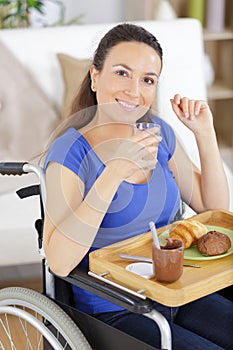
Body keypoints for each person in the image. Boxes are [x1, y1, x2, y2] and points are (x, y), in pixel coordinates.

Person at [42, 23, 232, 350]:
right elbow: (58, 262)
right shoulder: (70, 153)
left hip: (176, 290)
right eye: (121, 73)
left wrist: (204, 133)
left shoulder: (157, 132)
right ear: (94, 76)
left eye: (147, 80)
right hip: (115, 309)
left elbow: (213, 208)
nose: (134, 90)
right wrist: (113, 174)